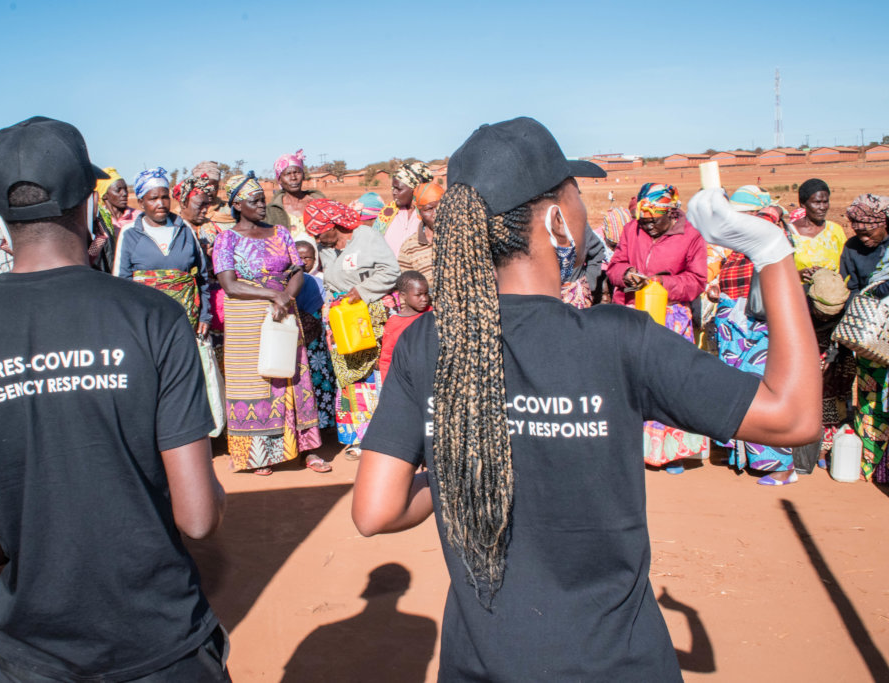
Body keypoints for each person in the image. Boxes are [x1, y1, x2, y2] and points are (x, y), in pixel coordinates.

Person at [351, 116, 820, 681]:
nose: (582, 208)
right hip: (614, 664)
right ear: (554, 218)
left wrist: (466, 462)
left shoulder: (427, 343)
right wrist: (769, 248)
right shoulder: (618, 341)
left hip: (479, 664)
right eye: (575, 193)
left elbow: (376, 511)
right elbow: (792, 417)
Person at [0, 116, 229, 681]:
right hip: (161, 643)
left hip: (33, 655)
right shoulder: (152, 317)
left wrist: (31, 544)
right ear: (88, 203)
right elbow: (199, 518)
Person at [212, 172, 326, 475]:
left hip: (283, 314)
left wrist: (286, 298)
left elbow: (298, 271)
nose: (263, 205)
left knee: (292, 379)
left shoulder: (280, 232)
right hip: (247, 321)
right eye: (256, 201)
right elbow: (230, 284)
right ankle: (259, 455)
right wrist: (272, 295)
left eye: (263, 199)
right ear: (238, 204)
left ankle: (307, 449)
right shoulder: (226, 239)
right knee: (257, 384)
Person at [606, 182, 709, 472]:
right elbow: (615, 265)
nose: (648, 226)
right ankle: (633, 450)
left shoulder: (691, 237)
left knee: (668, 382)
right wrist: (626, 275)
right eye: (643, 220)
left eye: (654, 221)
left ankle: (670, 452)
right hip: (631, 312)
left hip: (670, 317)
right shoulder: (631, 230)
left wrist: (662, 284)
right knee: (630, 382)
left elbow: (697, 280)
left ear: (671, 212)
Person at [304, 198, 400, 460]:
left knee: (373, 376)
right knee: (350, 380)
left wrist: (362, 291)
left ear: (334, 224)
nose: (317, 238)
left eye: (319, 231)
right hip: (342, 320)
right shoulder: (326, 248)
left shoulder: (366, 237)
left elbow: (391, 271)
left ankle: (382, 435)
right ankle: (359, 437)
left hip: (369, 317)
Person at [712, 192, 797, 483]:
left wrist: (768, 213)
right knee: (735, 388)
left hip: (759, 324)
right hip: (735, 322)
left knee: (763, 389)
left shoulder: (769, 232)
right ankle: (743, 455)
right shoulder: (739, 242)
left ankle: (781, 465)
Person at [789, 179, 852, 459]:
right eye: (816, 201)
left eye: (825, 201)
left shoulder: (836, 232)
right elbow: (780, 268)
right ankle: (798, 435)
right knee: (802, 373)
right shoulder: (790, 233)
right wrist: (798, 275)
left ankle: (827, 442)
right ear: (803, 204)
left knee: (831, 375)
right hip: (800, 312)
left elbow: (844, 269)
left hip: (832, 314)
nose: (822, 207)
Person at [113, 168, 211, 336]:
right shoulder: (130, 233)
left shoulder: (184, 229)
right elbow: (121, 283)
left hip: (186, 322)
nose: (161, 203)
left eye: (165, 197)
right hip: (145, 323)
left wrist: (204, 316)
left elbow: (202, 278)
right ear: (141, 202)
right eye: (153, 198)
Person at [840, 194, 889, 482]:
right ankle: (872, 465)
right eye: (857, 233)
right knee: (870, 399)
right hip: (869, 334)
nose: (864, 239)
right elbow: (852, 288)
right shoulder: (852, 249)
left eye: (868, 232)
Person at [295, 240, 337, 430]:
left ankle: (321, 425)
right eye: (299, 257)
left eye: (308, 258)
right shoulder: (285, 281)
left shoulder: (320, 281)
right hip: (295, 340)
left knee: (318, 380)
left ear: (315, 259)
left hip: (315, 343)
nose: (303, 262)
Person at [373, 162, 435, 256]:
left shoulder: (428, 214)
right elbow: (373, 242)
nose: (394, 192)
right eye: (393, 188)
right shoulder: (387, 213)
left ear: (415, 189)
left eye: (399, 189)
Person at [378, 271, 430, 382]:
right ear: (403, 296)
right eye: (418, 295)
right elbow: (387, 358)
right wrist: (389, 387)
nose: (424, 298)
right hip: (410, 381)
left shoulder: (432, 314)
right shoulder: (395, 323)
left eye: (426, 293)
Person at [265, 150, 324, 239]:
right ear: (280, 180)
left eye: (297, 172)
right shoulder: (272, 211)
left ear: (303, 175)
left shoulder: (319, 203)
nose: (293, 178)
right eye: (287, 174)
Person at [397, 183, 442, 282]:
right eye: (429, 209)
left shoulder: (458, 238)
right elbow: (408, 287)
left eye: (440, 207)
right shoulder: (409, 248)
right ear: (419, 212)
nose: (436, 214)